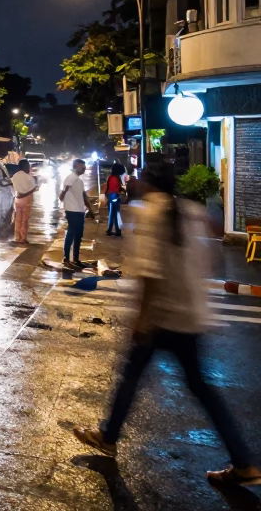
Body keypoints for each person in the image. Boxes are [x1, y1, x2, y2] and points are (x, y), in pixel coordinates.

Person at [72, 160, 260, 487]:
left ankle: (109, 437)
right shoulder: (191, 211)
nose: (135, 182)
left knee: (132, 376)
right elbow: (211, 253)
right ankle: (243, 462)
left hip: (161, 318)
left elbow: (150, 275)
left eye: (140, 178)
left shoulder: (150, 214)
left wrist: (142, 322)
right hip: (190, 316)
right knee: (199, 388)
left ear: (149, 183)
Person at [59, 159, 90, 269]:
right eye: (83, 166)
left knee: (78, 235)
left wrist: (90, 209)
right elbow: (64, 191)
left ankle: (75, 259)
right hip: (72, 211)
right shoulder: (71, 177)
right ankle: (66, 259)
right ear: (76, 166)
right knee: (71, 234)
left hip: (79, 210)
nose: (84, 168)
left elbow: (84, 196)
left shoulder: (78, 181)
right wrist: (62, 198)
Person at [11, 159, 38, 244]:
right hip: (27, 200)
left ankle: (17, 237)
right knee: (25, 220)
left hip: (17, 199)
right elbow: (33, 188)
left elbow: (12, 186)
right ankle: (23, 238)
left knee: (17, 219)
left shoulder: (15, 175)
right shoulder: (29, 177)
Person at [105, 162, 126, 237]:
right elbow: (114, 189)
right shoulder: (115, 178)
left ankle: (110, 229)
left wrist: (122, 190)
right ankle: (116, 230)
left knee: (112, 214)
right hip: (114, 196)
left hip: (111, 196)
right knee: (115, 214)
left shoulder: (112, 177)